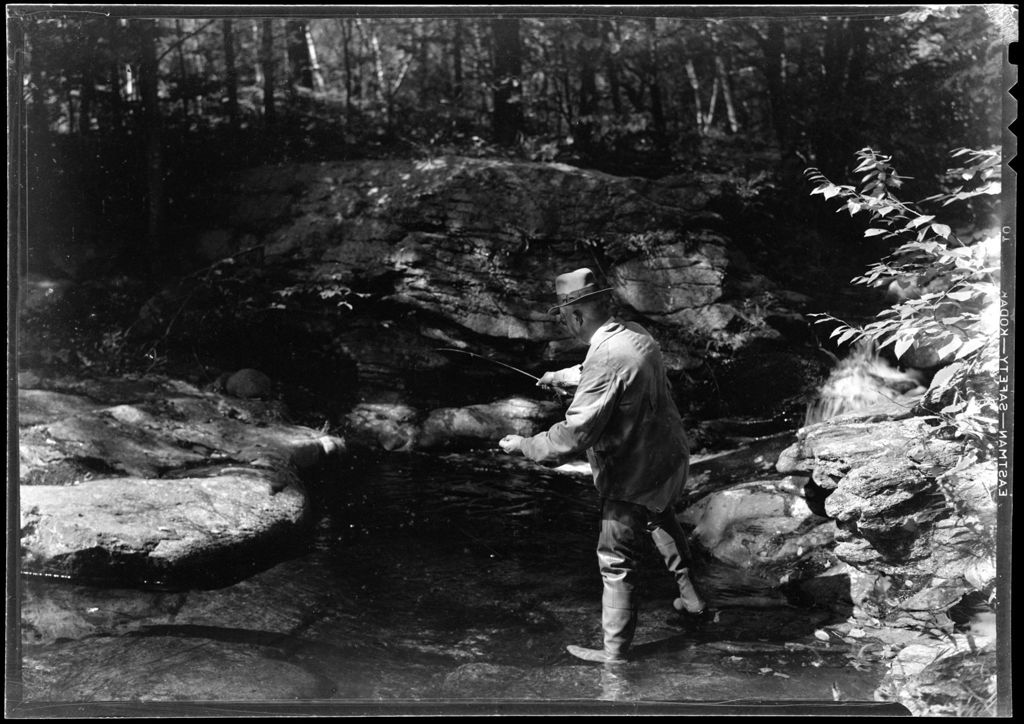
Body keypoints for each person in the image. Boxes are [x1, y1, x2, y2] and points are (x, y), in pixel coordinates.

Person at [498, 268, 706, 664]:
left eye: (563, 316)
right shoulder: (633, 333)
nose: (563, 322)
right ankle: (693, 600)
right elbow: (607, 371)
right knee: (660, 516)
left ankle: (614, 657)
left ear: (576, 316)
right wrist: (562, 375)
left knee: (616, 559)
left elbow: (575, 434)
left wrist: (524, 445)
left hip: (634, 469)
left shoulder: (606, 357)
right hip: (668, 455)